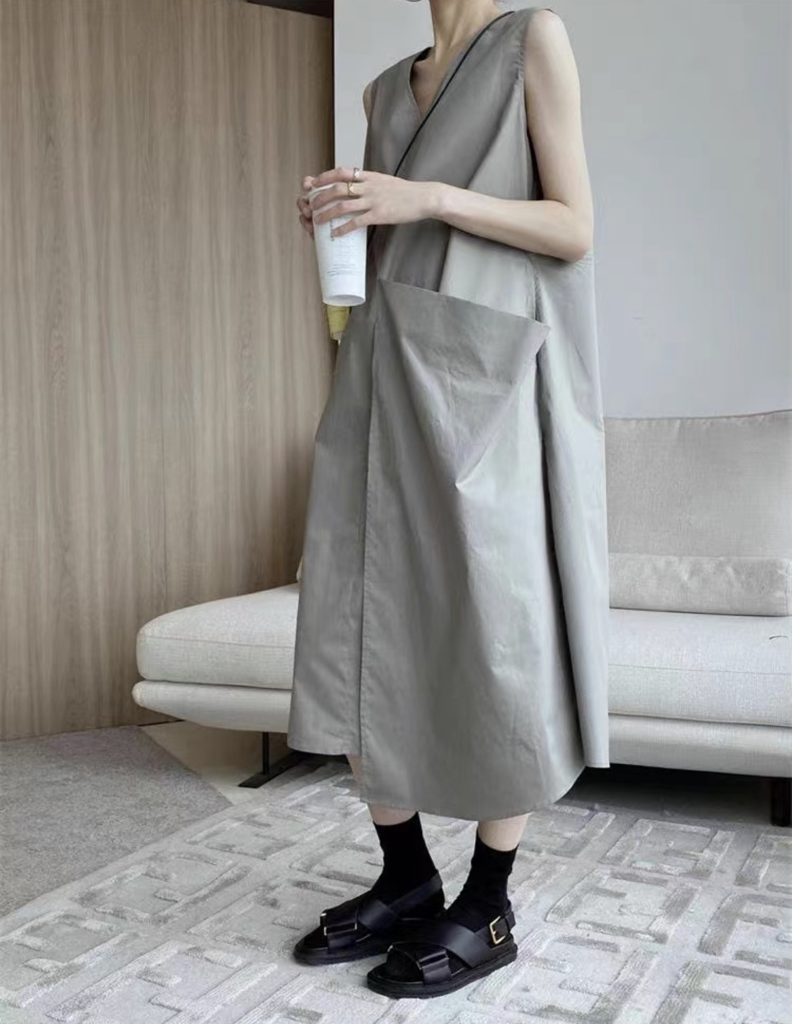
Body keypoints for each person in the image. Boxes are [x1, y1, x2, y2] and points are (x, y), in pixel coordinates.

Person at [289, 0, 609, 999]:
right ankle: (405, 876)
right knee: (352, 616)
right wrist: (349, 219)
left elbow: (574, 228)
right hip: (383, 377)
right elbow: (391, 253)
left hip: (488, 386)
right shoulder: (384, 89)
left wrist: (423, 196)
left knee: (496, 629)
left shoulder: (531, 40)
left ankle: (490, 899)